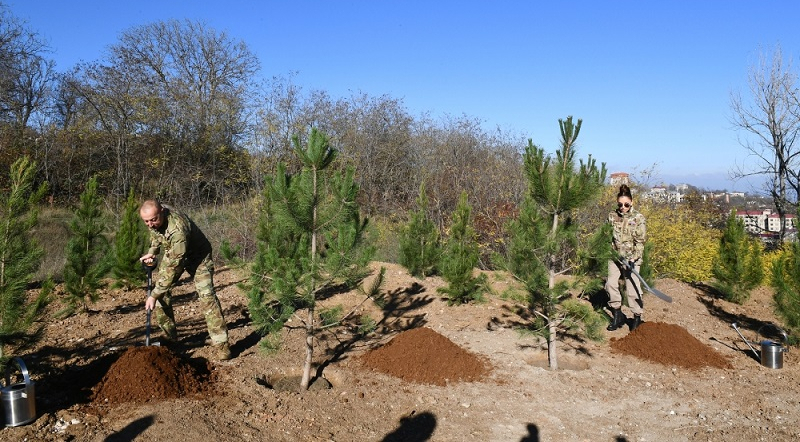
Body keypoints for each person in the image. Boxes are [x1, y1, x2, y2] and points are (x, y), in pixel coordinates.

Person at [139, 199, 231, 360]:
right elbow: (156, 232)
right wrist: (153, 251)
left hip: (198, 257)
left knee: (207, 297)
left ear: (162, 212)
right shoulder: (156, 218)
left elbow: (174, 267)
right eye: (146, 221)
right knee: (162, 295)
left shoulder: (178, 230)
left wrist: (153, 295)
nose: (150, 224)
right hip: (174, 252)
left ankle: (222, 344)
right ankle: (169, 337)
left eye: (153, 220)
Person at [605, 184, 647, 332]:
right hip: (615, 257)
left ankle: (637, 317)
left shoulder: (638, 218)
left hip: (631, 259)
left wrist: (634, 258)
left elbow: (640, 242)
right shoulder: (612, 216)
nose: (623, 207)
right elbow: (606, 235)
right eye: (620, 204)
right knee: (610, 284)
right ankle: (617, 314)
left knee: (632, 289)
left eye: (626, 204)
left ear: (632, 202)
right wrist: (609, 250)